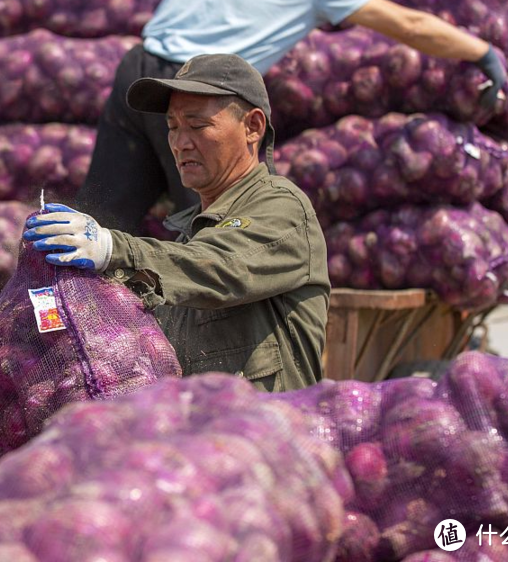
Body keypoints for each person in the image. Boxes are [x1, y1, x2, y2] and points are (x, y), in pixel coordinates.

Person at [74, 0, 508, 235]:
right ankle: (209, 338)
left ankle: (66, 318)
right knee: (225, 230)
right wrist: (482, 52)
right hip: (198, 95)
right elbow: (409, 26)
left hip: (139, 76)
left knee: (106, 222)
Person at [25, 54, 327, 392]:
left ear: (252, 127)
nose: (180, 142)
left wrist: (111, 247)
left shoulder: (283, 207)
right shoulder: (186, 239)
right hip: (197, 437)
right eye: (172, 127)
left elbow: (220, 266)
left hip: (271, 436)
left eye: (197, 125)